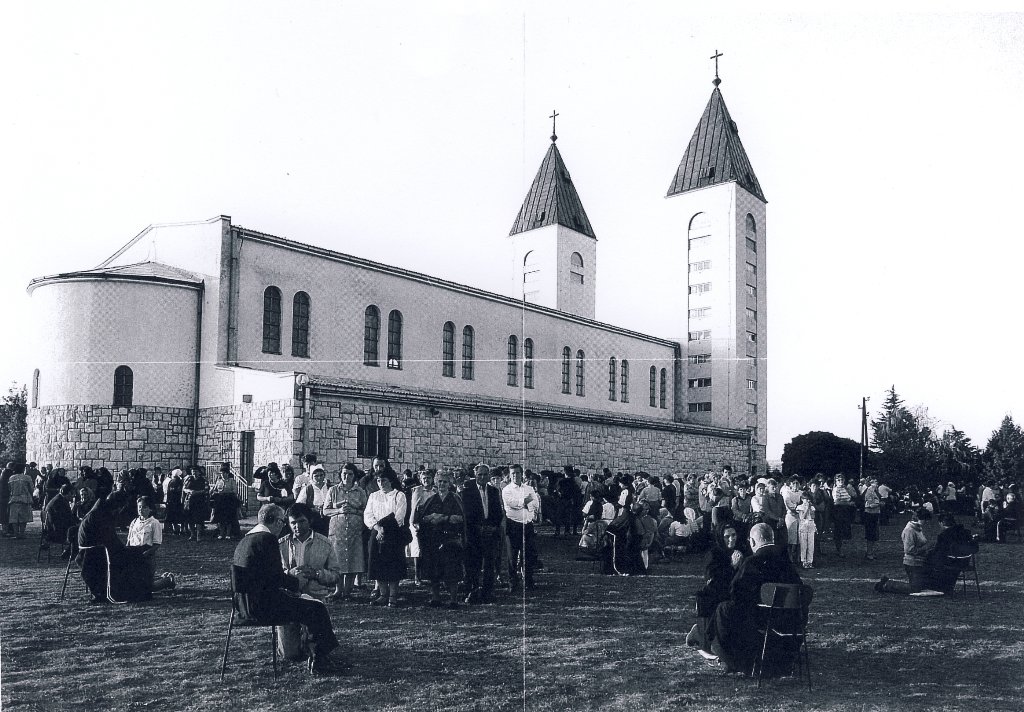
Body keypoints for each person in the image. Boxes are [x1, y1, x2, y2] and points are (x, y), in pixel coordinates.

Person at [231, 504, 346, 675]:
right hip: (263, 607)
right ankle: (320, 660)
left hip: (242, 608)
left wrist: (313, 575)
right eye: (285, 522)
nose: (286, 526)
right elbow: (276, 578)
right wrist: (295, 581)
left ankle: (317, 654)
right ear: (278, 522)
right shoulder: (268, 539)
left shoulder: (246, 539)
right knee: (316, 609)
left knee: (312, 606)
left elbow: (264, 577)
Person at [701, 523, 803, 674]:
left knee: (724, 609)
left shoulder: (753, 562)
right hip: (792, 623)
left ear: (753, 542)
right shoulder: (787, 562)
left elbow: (736, 593)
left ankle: (730, 659)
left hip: (763, 620)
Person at [77, 493, 176, 603]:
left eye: (144, 507)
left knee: (135, 573)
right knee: (131, 572)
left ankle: (163, 581)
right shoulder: (101, 516)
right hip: (95, 554)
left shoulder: (99, 513)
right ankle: (163, 581)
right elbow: (112, 540)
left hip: (95, 553)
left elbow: (111, 540)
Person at [687, 522, 745, 651]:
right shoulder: (714, 554)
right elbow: (712, 580)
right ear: (720, 537)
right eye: (727, 536)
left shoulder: (740, 550)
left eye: (734, 535)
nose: (731, 539)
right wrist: (732, 566)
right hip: (718, 593)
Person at [415, 469, 467, 608]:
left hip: (451, 539)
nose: (442, 484)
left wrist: (444, 518)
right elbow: (422, 517)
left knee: (452, 570)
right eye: (440, 482)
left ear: (449, 483)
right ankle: (435, 597)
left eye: (445, 482)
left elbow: (462, 518)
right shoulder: (432, 499)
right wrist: (430, 517)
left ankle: (453, 599)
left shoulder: (455, 498)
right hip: (433, 539)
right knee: (434, 569)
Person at [362, 468, 408, 607]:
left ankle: (393, 596)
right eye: (378, 480)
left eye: (383, 480)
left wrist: (386, 530)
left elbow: (399, 516)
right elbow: (368, 515)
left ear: (391, 481)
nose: (381, 483)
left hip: (393, 534)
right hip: (376, 533)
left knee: (393, 565)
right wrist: (378, 528)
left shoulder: (399, 495)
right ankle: (382, 594)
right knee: (378, 564)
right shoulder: (373, 496)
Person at [322, 463, 368, 601]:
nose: (347, 477)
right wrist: (339, 510)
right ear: (340, 475)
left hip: (355, 530)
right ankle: (338, 590)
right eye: (344, 474)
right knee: (338, 560)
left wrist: (355, 511)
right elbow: (325, 510)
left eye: (350, 474)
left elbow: (366, 510)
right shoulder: (333, 490)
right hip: (338, 531)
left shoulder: (360, 491)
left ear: (354, 476)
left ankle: (348, 591)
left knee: (353, 559)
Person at [278, 503, 341, 600]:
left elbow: (336, 575)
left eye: (302, 521)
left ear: (310, 521)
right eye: (293, 523)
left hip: (316, 598)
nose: (297, 526)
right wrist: (289, 574)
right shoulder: (281, 544)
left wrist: (316, 574)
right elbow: (273, 573)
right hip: (288, 597)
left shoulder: (325, 544)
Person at [461, 463, 504, 604]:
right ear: (475, 475)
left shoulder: (493, 491)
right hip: (473, 532)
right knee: (473, 563)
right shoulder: (467, 491)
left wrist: (493, 527)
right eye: (480, 474)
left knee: (489, 564)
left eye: (485, 474)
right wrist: (478, 527)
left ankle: (487, 592)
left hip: (490, 532)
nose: (482, 477)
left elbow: (498, 512)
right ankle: (472, 591)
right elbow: (466, 513)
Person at [875, 509, 943, 596]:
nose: (925, 522)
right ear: (918, 518)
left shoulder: (917, 529)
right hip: (912, 563)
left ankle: (887, 583)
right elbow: (908, 550)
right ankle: (887, 585)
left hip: (919, 561)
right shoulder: (910, 530)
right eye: (924, 520)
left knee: (922, 585)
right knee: (914, 589)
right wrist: (926, 548)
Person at [502, 464, 540, 592]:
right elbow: (512, 504)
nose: (515, 476)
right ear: (509, 475)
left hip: (527, 525)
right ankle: (513, 581)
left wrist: (524, 503)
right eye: (513, 473)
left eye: (518, 473)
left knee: (528, 554)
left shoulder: (529, 488)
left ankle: (528, 580)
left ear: (522, 474)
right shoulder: (506, 490)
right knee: (512, 556)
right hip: (513, 525)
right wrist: (524, 502)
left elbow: (535, 504)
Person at [406, 469, 436, 586]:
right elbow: (415, 507)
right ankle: (417, 576)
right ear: (420, 479)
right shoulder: (417, 490)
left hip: (432, 521)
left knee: (430, 548)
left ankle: (428, 573)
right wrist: (415, 522)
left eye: (428, 478)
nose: (426, 480)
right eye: (424, 478)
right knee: (418, 549)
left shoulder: (435, 490)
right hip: (418, 521)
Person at [42, 483, 78, 557]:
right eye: (73, 494)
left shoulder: (58, 499)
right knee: (78, 531)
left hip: (52, 529)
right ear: (68, 493)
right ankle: (70, 553)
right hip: (56, 532)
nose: (74, 496)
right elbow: (67, 519)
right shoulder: (59, 502)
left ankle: (69, 552)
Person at [211, 462, 242, 540]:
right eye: (222, 473)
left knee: (229, 518)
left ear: (228, 473)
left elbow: (235, 491)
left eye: (225, 473)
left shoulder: (231, 481)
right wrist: (217, 492)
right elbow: (214, 490)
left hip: (229, 501)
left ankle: (228, 533)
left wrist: (226, 492)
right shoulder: (219, 481)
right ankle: (221, 533)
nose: (223, 474)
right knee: (221, 519)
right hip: (220, 501)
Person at [182, 466, 211, 541]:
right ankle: (192, 534)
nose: (194, 473)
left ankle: (198, 535)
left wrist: (197, 492)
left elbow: (206, 490)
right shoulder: (189, 479)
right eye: (193, 471)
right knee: (190, 518)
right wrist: (189, 491)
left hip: (200, 501)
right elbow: (184, 488)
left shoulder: (203, 480)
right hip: (190, 501)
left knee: (199, 519)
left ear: (199, 472)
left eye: (196, 471)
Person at [831, 474, 855, 558]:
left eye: (842, 480)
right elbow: (837, 502)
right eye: (838, 480)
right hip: (839, 511)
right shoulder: (836, 489)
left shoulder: (845, 488)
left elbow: (852, 496)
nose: (840, 481)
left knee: (845, 530)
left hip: (846, 511)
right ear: (836, 481)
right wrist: (848, 503)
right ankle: (839, 550)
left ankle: (842, 549)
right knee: (839, 530)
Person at [7, 464, 34, 539]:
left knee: (14, 517)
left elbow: (9, 489)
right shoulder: (27, 478)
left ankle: (16, 533)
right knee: (23, 517)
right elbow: (31, 488)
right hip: (24, 498)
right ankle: (22, 533)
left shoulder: (11, 478)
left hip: (14, 498)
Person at [795, 491, 817, 569]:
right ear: (802, 499)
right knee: (803, 544)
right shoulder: (799, 507)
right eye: (805, 499)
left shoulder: (812, 507)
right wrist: (806, 508)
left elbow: (813, 516)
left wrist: (810, 508)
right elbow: (802, 517)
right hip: (803, 525)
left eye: (808, 499)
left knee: (811, 544)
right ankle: (803, 561)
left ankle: (810, 561)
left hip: (811, 525)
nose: (807, 501)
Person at [163, 468, 186, 536]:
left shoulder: (171, 482)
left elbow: (168, 492)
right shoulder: (181, 482)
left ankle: (175, 529)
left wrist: (168, 500)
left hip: (171, 501)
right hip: (179, 501)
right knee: (181, 516)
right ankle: (181, 530)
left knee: (173, 516)